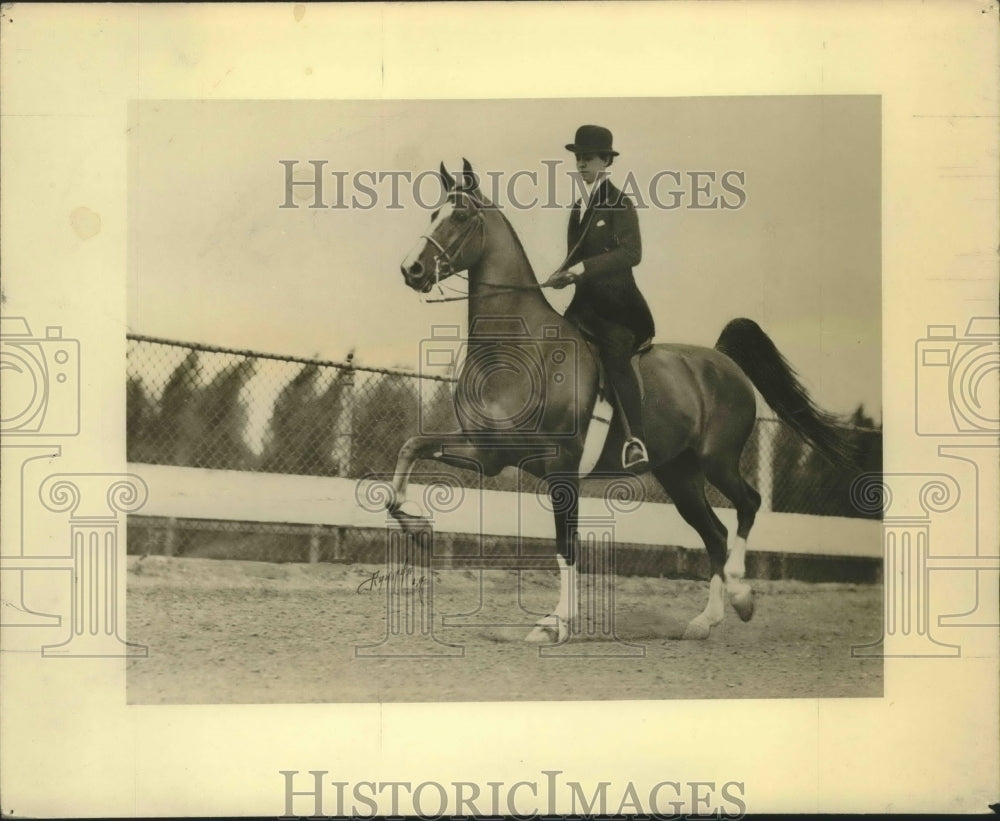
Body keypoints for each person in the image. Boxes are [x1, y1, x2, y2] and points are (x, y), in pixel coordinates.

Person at [544, 124, 656, 471]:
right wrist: (559, 275)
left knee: (616, 360)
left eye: (588, 158)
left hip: (618, 309)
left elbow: (632, 253)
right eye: (578, 158)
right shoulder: (578, 208)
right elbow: (573, 257)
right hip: (584, 307)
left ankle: (635, 441)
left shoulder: (620, 203)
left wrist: (581, 270)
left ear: (606, 161)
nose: (581, 164)